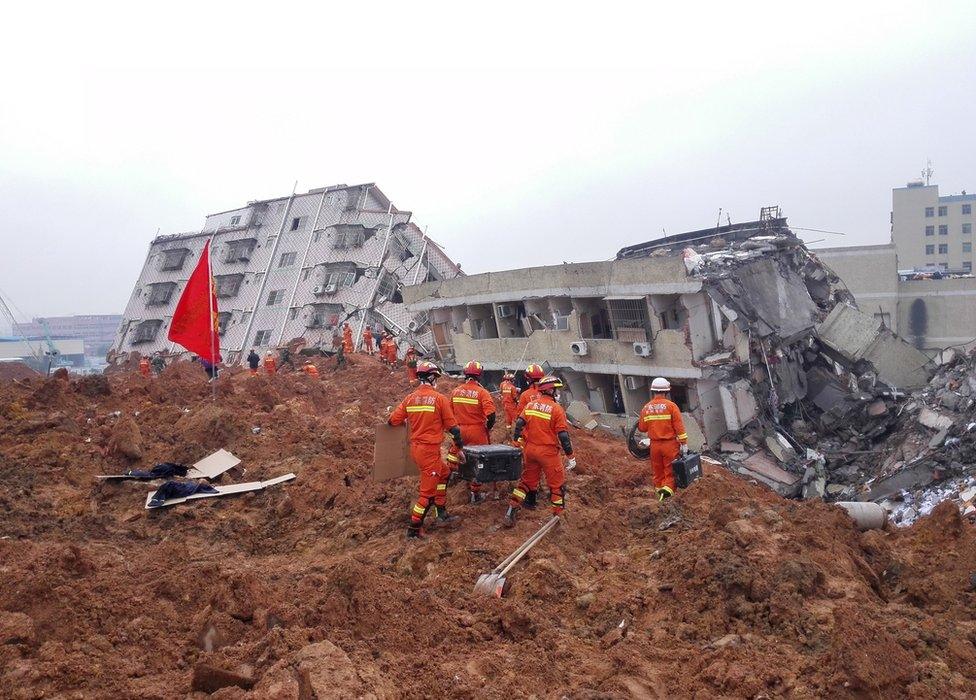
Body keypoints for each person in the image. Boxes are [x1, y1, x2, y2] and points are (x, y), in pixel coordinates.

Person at [388, 361, 465, 538]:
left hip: (416, 450)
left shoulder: (410, 398)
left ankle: (441, 512)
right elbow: (454, 429)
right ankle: (414, 529)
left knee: (444, 473)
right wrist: (459, 448)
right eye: (436, 378)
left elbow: (392, 421)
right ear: (431, 378)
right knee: (426, 495)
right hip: (429, 451)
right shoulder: (439, 399)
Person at [504, 375, 576, 527]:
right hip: (548, 453)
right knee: (557, 486)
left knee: (527, 482)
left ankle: (511, 509)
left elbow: (519, 424)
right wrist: (571, 456)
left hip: (530, 450)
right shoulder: (556, 409)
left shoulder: (530, 405)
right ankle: (558, 516)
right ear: (550, 390)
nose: (556, 393)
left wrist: (516, 441)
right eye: (555, 390)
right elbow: (563, 435)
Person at [448, 361, 496, 503]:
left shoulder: (455, 391)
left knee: (456, 452)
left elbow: (449, 414)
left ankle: (453, 473)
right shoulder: (482, 393)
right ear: (479, 375)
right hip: (477, 430)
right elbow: (491, 415)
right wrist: (488, 427)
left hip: (459, 429)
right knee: (479, 460)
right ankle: (475, 494)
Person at [637, 377, 688, 502]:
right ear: (666, 392)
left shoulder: (646, 408)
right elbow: (679, 427)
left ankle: (659, 496)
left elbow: (642, 428)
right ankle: (667, 497)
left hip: (654, 446)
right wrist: (684, 443)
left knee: (657, 471)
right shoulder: (671, 406)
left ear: (653, 391)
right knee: (670, 471)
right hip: (669, 445)